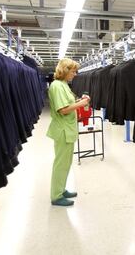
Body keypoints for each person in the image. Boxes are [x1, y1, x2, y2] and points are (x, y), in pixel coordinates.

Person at [46, 58, 90, 206]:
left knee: (66, 163)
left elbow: (69, 103)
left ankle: (61, 189)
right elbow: (63, 110)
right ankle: (56, 196)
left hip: (67, 129)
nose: (75, 74)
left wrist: (79, 100)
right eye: (73, 71)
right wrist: (81, 104)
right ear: (65, 70)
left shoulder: (63, 85)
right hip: (62, 130)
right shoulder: (57, 86)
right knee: (61, 163)